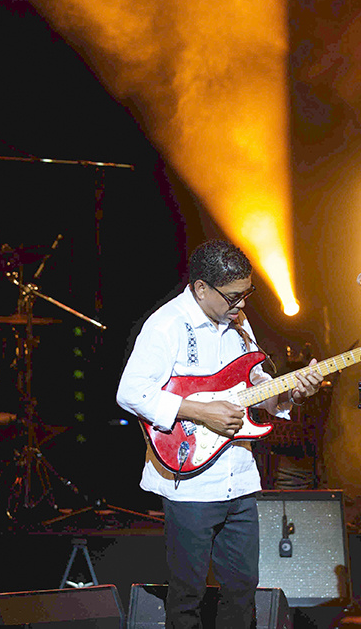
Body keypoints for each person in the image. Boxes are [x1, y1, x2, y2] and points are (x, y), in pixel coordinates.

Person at [116, 240, 322, 629]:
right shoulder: (166, 325)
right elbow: (130, 392)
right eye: (233, 296)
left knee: (243, 589)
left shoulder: (239, 324)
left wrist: (292, 390)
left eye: (247, 294)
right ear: (200, 288)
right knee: (187, 593)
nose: (241, 305)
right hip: (190, 481)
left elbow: (257, 387)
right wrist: (200, 411)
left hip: (240, 478)